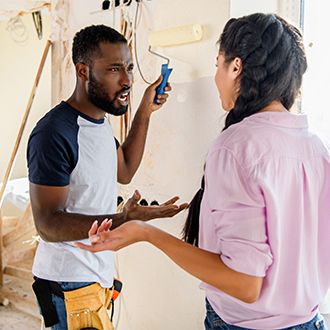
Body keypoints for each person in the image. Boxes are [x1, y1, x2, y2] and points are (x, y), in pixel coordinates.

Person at [75, 13, 330, 330]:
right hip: (310, 321)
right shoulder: (315, 147)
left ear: (235, 67)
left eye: (217, 64)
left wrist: (146, 233)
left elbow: (245, 285)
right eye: (115, 69)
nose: (216, 77)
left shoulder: (236, 148)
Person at [27, 24, 187, 330]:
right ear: (83, 71)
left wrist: (145, 111)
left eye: (128, 67)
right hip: (68, 282)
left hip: (95, 276)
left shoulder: (99, 122)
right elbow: (47, 225)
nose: (127, 80)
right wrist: (122, 219)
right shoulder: (54, 133)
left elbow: (124, 169)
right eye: (114, 69)